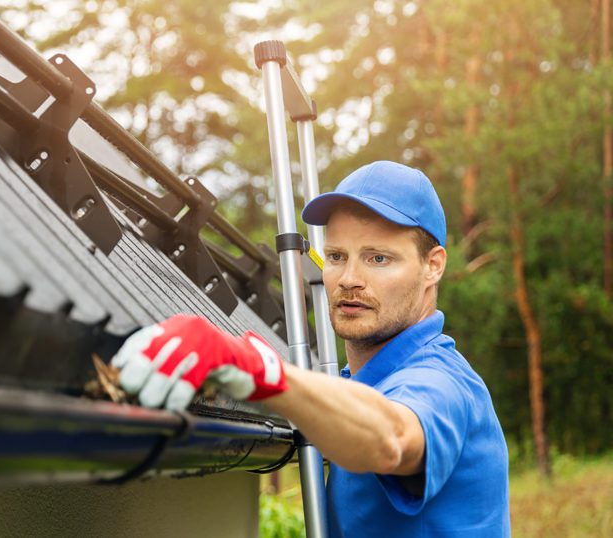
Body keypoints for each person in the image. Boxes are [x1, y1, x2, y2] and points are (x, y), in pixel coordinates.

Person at [112, 161, 510, 537]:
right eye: (336, 256)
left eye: (378, 258)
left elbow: (392, 438)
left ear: (433, 266)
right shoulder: (359, 383)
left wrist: (262, 372)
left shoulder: (442, 382)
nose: (349, 279)